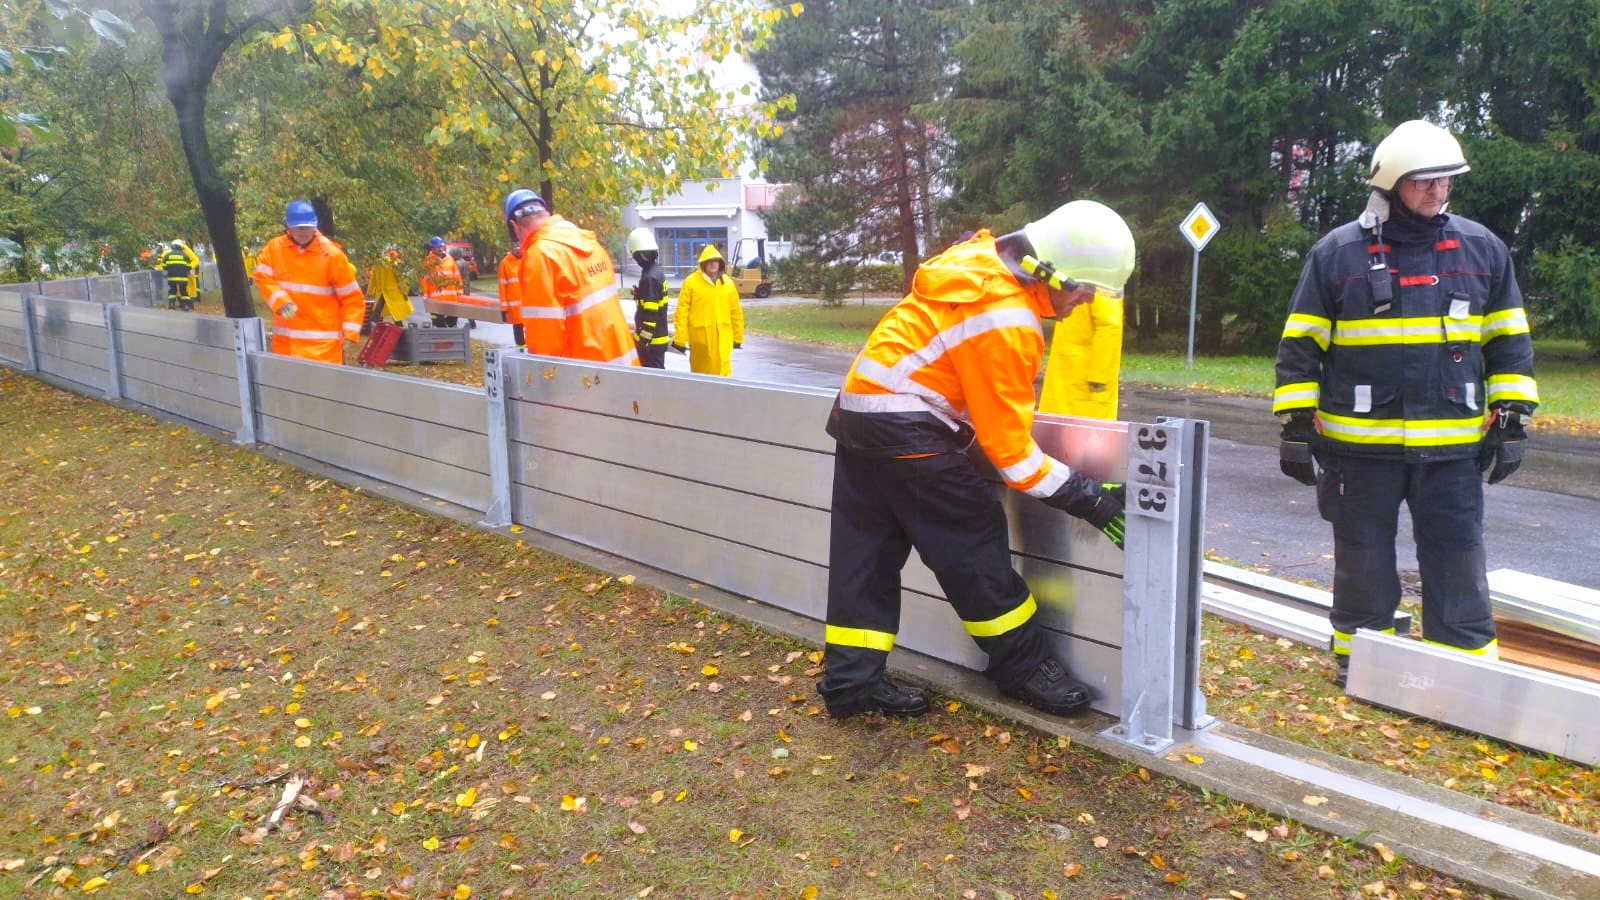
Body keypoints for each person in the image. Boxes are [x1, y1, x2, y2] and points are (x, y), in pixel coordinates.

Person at [819, 200, 1135, 720]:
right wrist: (1090, 499)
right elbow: (1012, 456)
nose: (1084, 302)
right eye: (1081, 288)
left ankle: (851, 683)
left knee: (867, 554)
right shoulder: (1008, 319)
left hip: (858, 412)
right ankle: (1025, 667)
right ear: (1048, 271)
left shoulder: (979, 261)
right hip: (907, 427)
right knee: (973, 541)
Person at [1272, 119, 1540, 684]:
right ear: (1391, 184)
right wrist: (1296, 426)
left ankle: (1464, 671)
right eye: (1424, 182)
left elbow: (1509, 341)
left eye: (1446, 181)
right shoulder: (1337, 253)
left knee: (1458, 560)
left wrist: (1513, 420)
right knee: (1363, 562)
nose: (1437, 192)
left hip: (1451, 452)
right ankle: (1365, 663)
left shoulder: (1481, 249)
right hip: (1360, 452)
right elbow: (1301, 344)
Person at [503, 188, 638, 365]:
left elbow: (545, 339)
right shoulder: (591, 244)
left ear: (514, 227)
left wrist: (542, 380)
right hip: (623, 364)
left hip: (586, 377)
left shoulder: (540, 256)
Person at [252, 200, 365, 364]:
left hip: (321, 348)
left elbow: (352, 299)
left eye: (308, 227)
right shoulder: (274, 248)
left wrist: (350, 335)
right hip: (286, 346)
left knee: (320, 390)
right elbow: (262, 276)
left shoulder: (332, 255)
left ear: (315, 225)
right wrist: (280, 301)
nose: (304, 232)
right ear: (288, 227)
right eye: (299, 227)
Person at [1038, 285, 1123, 418]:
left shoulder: (1101, 280)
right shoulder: (1089, 276)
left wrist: (1099, 377)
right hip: (1069, 371)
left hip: (1082, 378)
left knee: (1085, 431)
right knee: (1058, 426)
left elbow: (1109, 325)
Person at [669, 244, 744, 376]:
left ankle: (722, 396)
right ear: (702, 263)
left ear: (720, 263)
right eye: (709, 261)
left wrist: (737, 337)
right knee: (702, 378)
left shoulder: (727, 283)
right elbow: (682, 312)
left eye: (715, 261)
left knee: (723, 376)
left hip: (723, 340)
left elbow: (736, 312)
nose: (713, 264)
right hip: (700, 341)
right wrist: (680, 339)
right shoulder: (691, 283)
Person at [626, 227, 669, 368]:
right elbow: (654, 302)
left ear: (640, 255)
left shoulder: (649, 277)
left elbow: (651, 316)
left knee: (654, 382)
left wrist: (643, 341)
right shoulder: (655, 271)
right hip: (657, 339)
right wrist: (639, 295)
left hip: (651, 343)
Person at [422, 236, 462, 327]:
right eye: (438, 247)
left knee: (452, 326)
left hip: (451, 300)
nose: (440, 249)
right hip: (436, 302)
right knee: (440, 328)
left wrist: (459, 292)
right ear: (432, 249)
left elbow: (457, 276)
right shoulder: (428, 262)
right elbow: (424, 281)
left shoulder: (450, 259)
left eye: (441, 246)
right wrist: (425, 296)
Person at [497, 245, 526, 349]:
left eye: (521, 249)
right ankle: (521, 350)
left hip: (528, 303)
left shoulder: (526, 259)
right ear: (512, 249)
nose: (519, 251)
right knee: (518, 328)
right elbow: (502, 286)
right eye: (517, 249)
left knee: (531, 328)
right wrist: (504, 308)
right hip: (514, 304)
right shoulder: (505, 263)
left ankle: (531, 350)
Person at [161, 240, 199, 311]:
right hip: (183, 278)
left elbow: (163, 266)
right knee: (184, 291)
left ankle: (171, 305)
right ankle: (186, 306)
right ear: (180, 247)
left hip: (172, 278)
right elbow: (188, 266)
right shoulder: (185, 256)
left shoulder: (167, 255)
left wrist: (170, 268)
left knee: (172, 291)